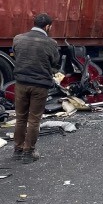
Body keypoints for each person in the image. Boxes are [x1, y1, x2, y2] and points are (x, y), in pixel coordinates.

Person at [12, 13, 60, 163]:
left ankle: (17, 150)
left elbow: (16, 55)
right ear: (47, 27)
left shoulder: (18, 39)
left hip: (21, 84)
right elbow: (55, 63)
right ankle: (28, 152)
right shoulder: (51, 43)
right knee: (34, 120)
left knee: (20, 118)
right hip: (40, 86)